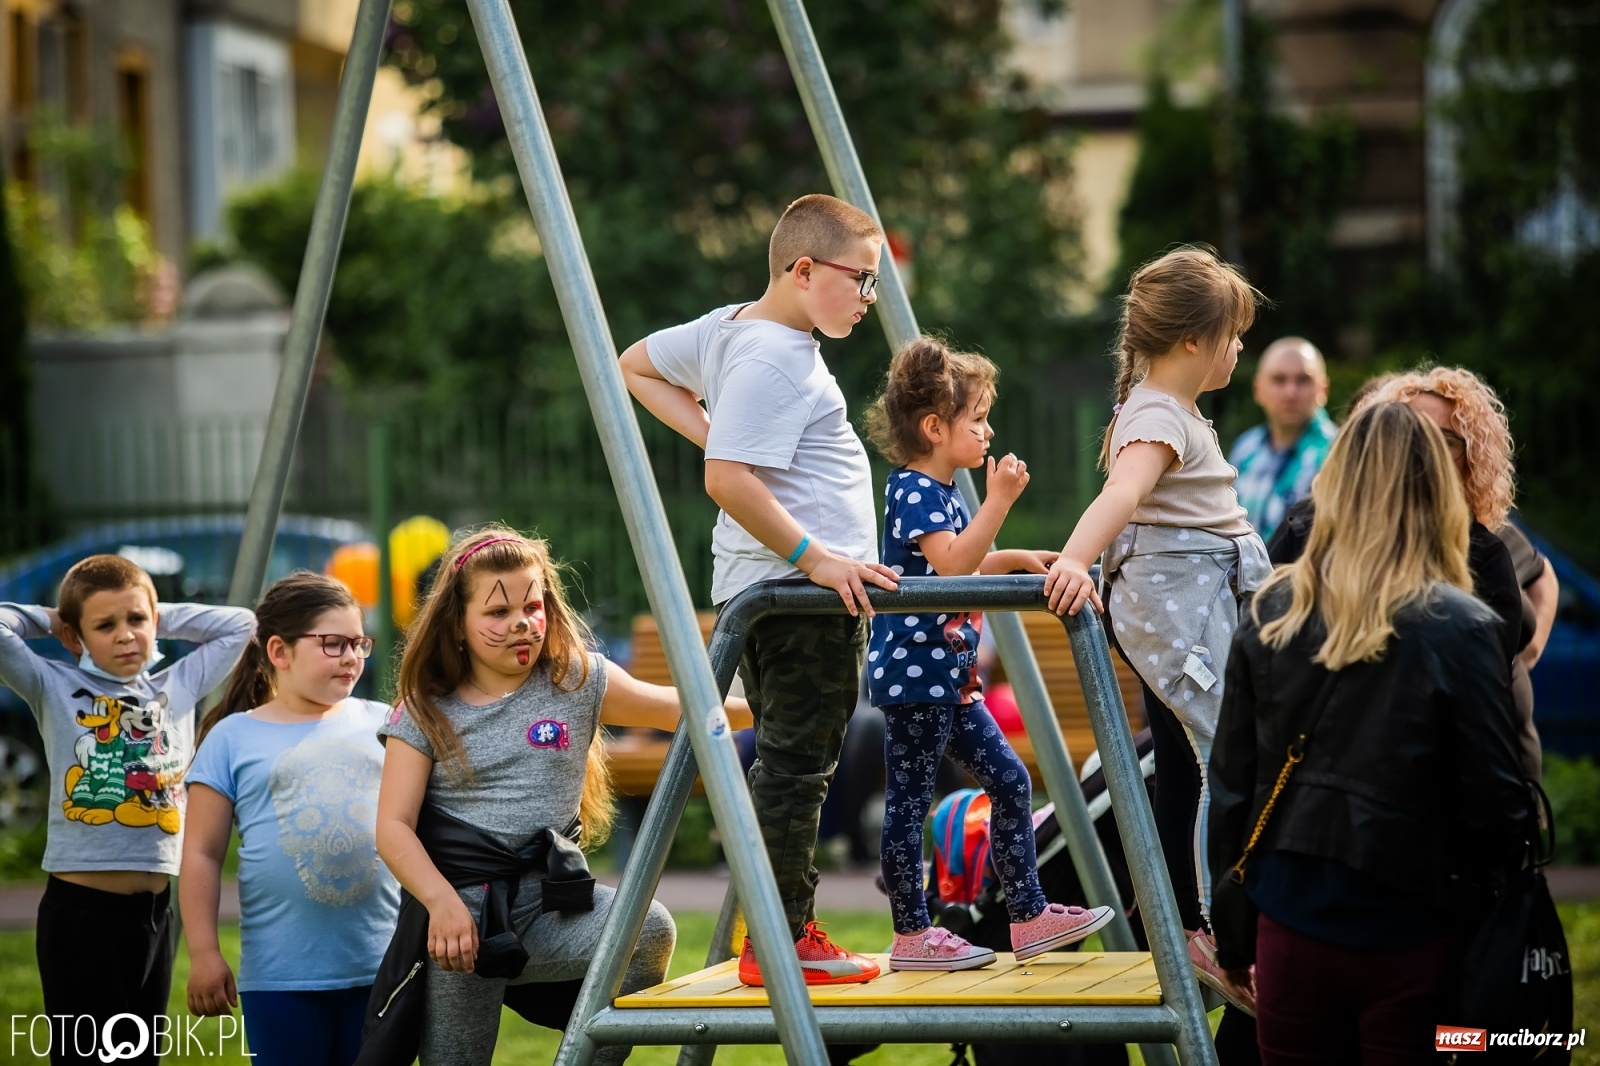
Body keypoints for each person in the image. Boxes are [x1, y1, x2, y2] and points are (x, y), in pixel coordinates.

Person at [619, 193, 898, 986]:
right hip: (800, 598)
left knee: (788, 763)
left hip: (773, 589)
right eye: (861, 279)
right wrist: (816, 559)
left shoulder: (731, 327)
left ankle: (775, 936)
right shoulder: (778, 356)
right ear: (803, 270)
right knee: (797, 769)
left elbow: (634, 364)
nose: (869, 298)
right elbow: (727, 480)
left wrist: (720, 434)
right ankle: (784, 941)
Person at [1209, 401, 1532, 1062]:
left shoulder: (1272, 612)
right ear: (1436, 490)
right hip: (1417, 927)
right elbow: (1498, 806)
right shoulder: (1464, 626)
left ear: (1334, 484)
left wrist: (1235, 935)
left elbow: (1234, 787)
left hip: (1291, 921)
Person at [369, 528, 752, 1065]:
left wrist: (773, 708)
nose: (521, 623)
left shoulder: (577, 679)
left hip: (554, 905)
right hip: (462, 920)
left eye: (532, 606)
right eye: (497, 612)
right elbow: (393, 827)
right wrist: (441, 904)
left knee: (649, 929)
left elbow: (685, 707)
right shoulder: (423, 710)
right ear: (457, 624)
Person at [1042, 245, 1268, 1012]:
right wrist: (1076, 559)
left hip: (1191, 607)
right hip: (1179, 613)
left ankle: (1179, 916)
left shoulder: (1169, 409)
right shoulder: (1158, 414)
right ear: (1194, 341)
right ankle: (1207, 923)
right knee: (1217, 754)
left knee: (1185, 763)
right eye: (1233, 336)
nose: (1239, 349)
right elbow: (1123, 493)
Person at [861, 337, 1113, 970]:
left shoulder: (942, 491)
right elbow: (951, 568)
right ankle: (912, 935)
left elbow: (959, 562)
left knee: (1010, 780)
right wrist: (999, 501)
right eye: (976, 420)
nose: (988, 431)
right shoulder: (914, 488)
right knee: (910, 803)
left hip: (951, 677)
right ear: (934, 428)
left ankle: (1027, 917)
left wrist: (1015, 559)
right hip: (918, 676)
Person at [0, 555, 255, 1066]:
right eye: (105, 625)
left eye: (136, 620)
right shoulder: (53, 685)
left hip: (156, 914)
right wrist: (58, 618)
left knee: (140, 1058)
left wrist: (154, 612)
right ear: (75, 638)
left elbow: (241, 625)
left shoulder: (177, 684)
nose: (125, 635)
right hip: (82, 915)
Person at [1269, 367, 1545, 777]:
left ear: (1472, 460)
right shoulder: (1311, 526)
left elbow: (1488, 677)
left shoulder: (1486, 552)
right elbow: (1264, 645)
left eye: (1445, 439)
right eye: (1412, 432)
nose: (1424, 449)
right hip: (1322, 772)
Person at [182, 572, 400, 1066]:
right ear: (279, 651)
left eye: (359, 643)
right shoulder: (232, 738)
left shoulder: (387, 723)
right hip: (280, 979)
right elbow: (201, 853)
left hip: (383, 969)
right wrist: (204, 953)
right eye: (333, 643)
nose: (352, 657)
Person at [1227, 337, 1336, 541]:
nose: (1290, 392)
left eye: (1303, 380)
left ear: (1323, 389)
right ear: (1258, 389)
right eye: (1279, 380)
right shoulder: (1245, 448)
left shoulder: (1338, 451)